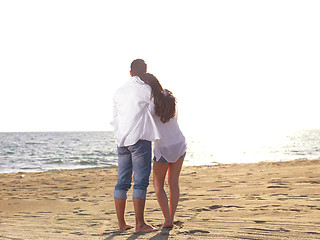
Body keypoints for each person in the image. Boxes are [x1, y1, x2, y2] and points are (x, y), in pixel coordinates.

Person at [111, 59, 160, 233]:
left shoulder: (119, 91)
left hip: (121, 141)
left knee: (121, 183)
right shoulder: (145, 89)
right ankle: (140, 224)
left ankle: (122, 224)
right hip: (139, 139)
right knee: (140, 183)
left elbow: (115, 117)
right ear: (145, 73)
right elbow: (156, 111)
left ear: (130, 72)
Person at [139, 73, 187, 228]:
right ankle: (170, 218)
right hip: (179, 143)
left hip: (164, 148)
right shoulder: (170, 97)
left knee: (158, 186)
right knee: (174, 183)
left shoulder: (149, 104)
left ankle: (167, 220)